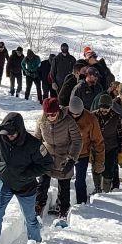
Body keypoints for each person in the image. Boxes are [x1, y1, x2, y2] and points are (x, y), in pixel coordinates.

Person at [0, 112, 52, 244]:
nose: (9, 137)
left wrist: (28, 174)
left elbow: (47, 164)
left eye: (12, 134)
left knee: (30, 218)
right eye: (6, 134)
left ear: (20, 131)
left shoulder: (33, 144)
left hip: (26, 187)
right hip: (5, 182)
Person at [35, 95, 82, 225]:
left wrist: (71, 159)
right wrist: (35, 157)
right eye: (48, 114)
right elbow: (36, 140)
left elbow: (77, 141)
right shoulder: (41, 121)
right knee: (42, 184)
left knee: (64, 186)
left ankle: (63, 211)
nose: (51, 117)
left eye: (53, 114)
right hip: (47, 156)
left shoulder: (68, 121)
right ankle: (38, 209)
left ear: (58, 111)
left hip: (63, 155)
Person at [68, 93, 103, 208]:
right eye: (73, 114)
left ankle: (81, 204)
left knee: (80, 180)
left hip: (82, 153)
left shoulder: (90, 119)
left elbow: (98, 141)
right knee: (63, 179)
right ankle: (62, 204)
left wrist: (99, 162)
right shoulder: (63, 114)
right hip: (65, 153)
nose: (75, 116)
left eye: (78, 114)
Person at [93, 92, 122, 193]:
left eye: (106, 107)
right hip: (96, 148)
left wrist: (121, 152)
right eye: (102, 107)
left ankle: (106, 191)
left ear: (110, 107)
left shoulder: (117, 117)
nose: (104, 110)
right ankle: (97, 189)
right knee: (96, 169)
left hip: (111, 148)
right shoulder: (93, 116)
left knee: (108, 171)